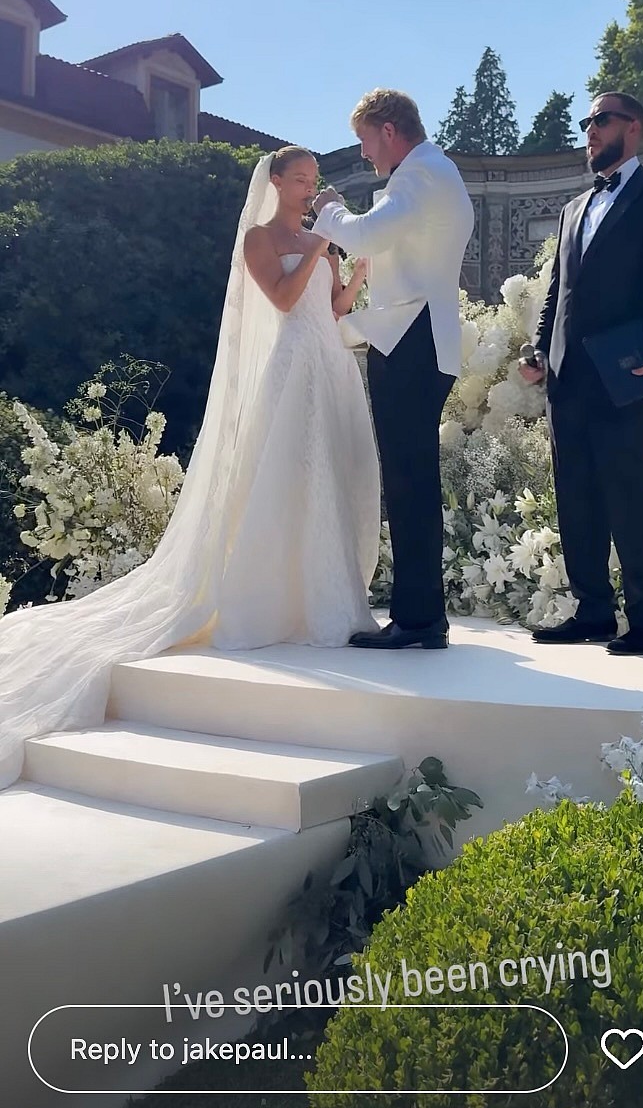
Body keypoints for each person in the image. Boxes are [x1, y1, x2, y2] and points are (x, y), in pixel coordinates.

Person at [0, 147, 380, 788]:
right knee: (286, 478)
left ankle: (328, 598)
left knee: (329, 479)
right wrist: (319, 247)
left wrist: (357, 268)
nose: (311, 188)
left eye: (316, 180)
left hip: (331, 365)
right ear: (277, 183)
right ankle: (271, 600)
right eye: (301, 179)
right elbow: (284, 301)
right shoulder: (263, 238)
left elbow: (333, 308)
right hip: (291, 367)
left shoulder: (322, 240)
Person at [518, 92, 643, 656]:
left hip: (624, 371)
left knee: (629, 490)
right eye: (587, 123)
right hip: (566, 373)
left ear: (635, 128)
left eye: (601, 121)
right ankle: (592, 611)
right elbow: (558, 291)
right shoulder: (575, 208)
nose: (590, 131)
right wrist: (537, 349)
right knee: (575, 494)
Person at [311, 89, 474, 651]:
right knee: (414, 481)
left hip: (411, 341)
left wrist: (328, 207)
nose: (364, 156)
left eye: (364, 141)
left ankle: (419, 618)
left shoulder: (419, 176)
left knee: (408, 483)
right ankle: (423, 616)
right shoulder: (439, 172)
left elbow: (362, 234)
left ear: (388, 129)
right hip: (426, 340)